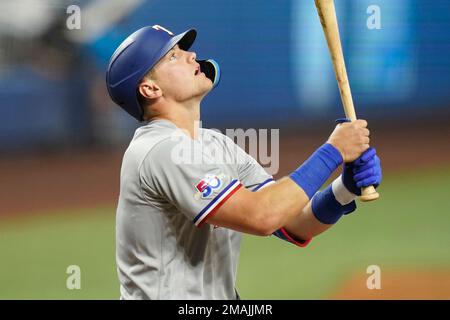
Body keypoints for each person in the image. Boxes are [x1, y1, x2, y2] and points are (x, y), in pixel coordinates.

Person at [106, 25, 382, 300]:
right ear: (150, 88)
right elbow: (261, 216)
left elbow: (292, 221)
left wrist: (344, 189)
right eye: (173, 56)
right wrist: (332, 151)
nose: (192, 56)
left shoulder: (213, 143)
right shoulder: (159, 149)